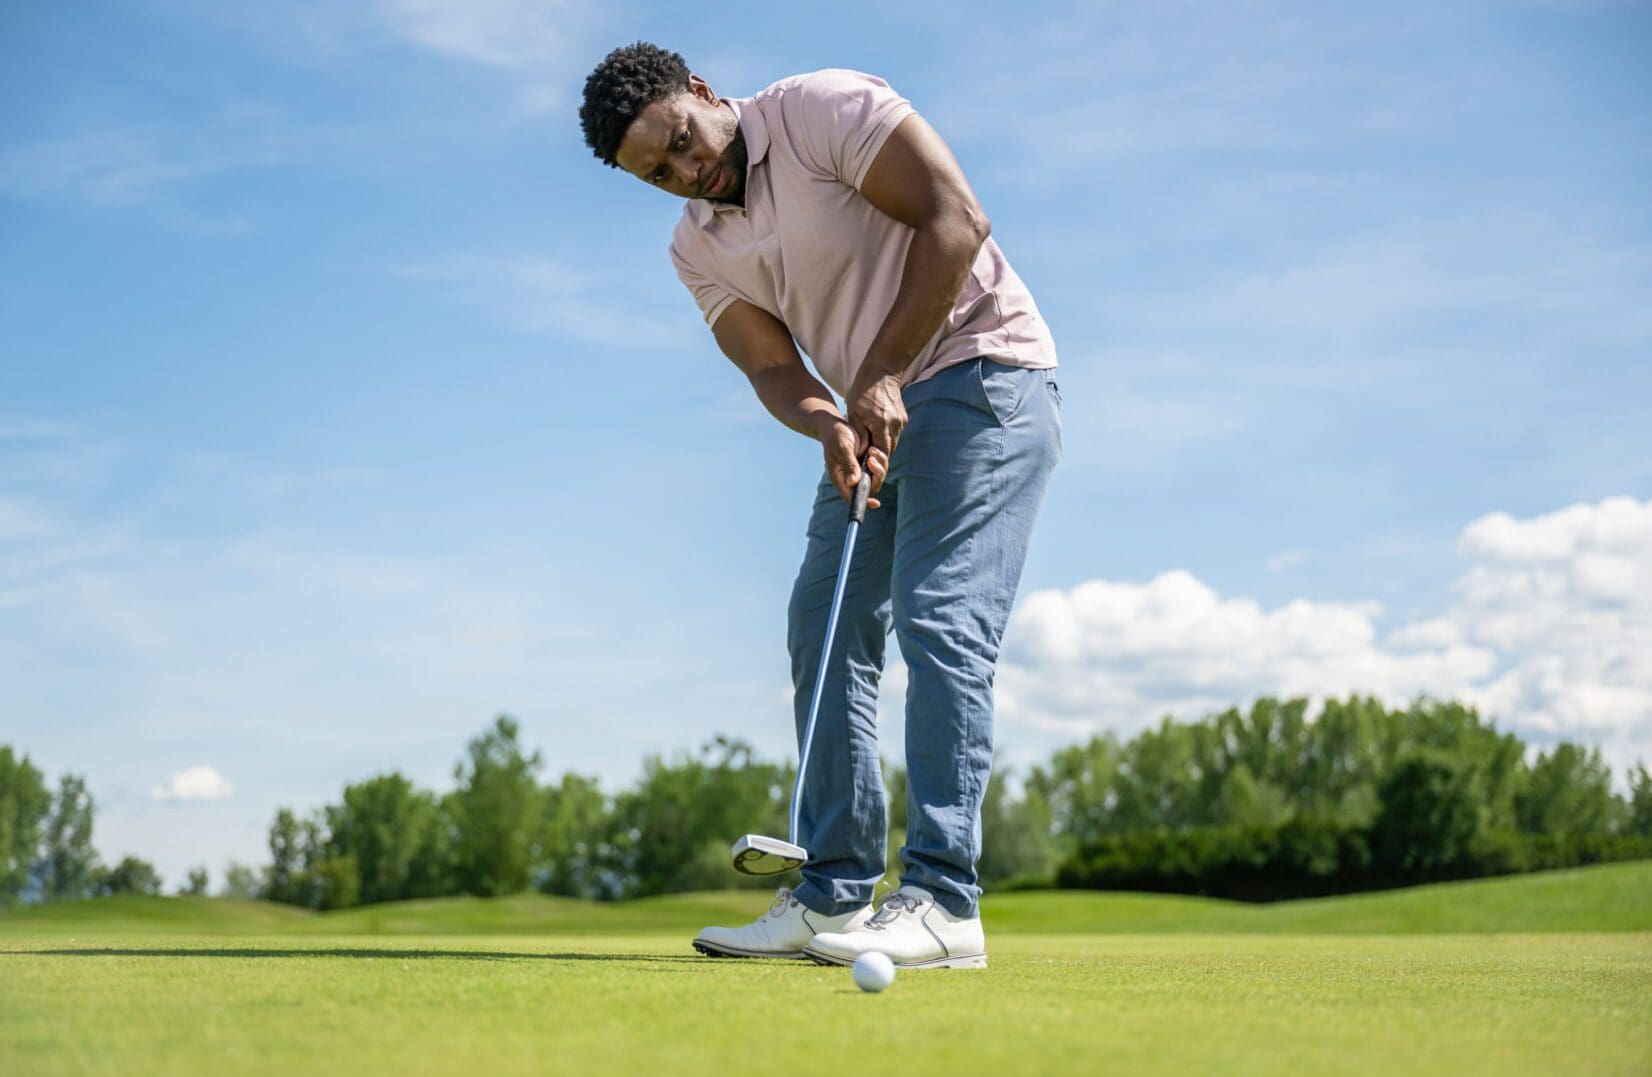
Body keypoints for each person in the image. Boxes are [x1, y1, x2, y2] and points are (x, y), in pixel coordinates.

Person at [579, 43, 1061, 969]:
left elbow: (956, 220)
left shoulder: (821, 111)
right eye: (659, 172)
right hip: (872, 418)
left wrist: (876, 374)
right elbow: (770, 365)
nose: (687, 170)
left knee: (939, 615)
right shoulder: (697, 244)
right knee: (824, 625)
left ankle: (945, 899)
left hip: (985, 376)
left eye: (682, 139)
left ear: (705, 93)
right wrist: (825, 425)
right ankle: (832, 891)